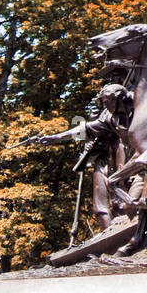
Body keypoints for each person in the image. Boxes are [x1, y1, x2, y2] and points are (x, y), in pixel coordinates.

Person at [40, 83, 132, 231]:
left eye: (105, 102)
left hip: (136, 157)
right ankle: (111, 233)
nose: (104, 105)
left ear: (115, 99)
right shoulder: (108, 118)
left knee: (125, 193)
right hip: (117, 157)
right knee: (103, 201)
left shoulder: (138, 104)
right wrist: (56, 137)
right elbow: (86, 129)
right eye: (102, 102)